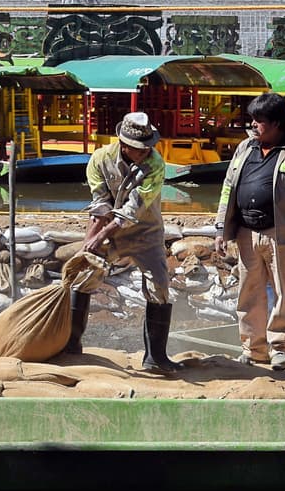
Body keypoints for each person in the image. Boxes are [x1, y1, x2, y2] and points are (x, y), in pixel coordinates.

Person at [215, 93, 285, 371]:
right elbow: (228, 189)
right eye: (252, 119)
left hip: (281, 235)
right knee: (248, 294)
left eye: (258, 120)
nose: (253, 125)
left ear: (276, 123)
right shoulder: (244, 148)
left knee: (283, 294)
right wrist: (221, 228)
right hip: (246, 233)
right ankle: (253, 350)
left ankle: (281, 349)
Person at [69, 112, 182, 372]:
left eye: (147, 147)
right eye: (139, 149)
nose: (145, 152)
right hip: (109, 229)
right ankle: (71, 345)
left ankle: (155, 357)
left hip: (146, 231)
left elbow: (133, 210)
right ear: (123, 145)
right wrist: (90, 241)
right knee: (83, 280)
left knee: (159, 286)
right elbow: (100, 204)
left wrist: (100, 236)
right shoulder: (100, 159)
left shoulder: (155, 164)